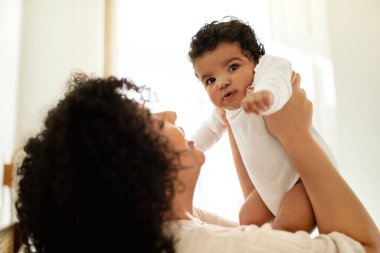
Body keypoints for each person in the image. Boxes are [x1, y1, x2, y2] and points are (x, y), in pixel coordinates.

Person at [15, 72, 379, 253]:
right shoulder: (197, 245)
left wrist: (236, 124)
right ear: (139, 168)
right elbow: (365, 248)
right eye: (155, 121)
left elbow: (269, 229)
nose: (171, 113)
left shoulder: (177, 228)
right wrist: (297, 136)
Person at [188, 17, 336, 232]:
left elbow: (278, 81)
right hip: (269, 187)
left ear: (256, 61)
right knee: (247, 216)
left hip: (301, 178)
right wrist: (186, 147)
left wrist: (266, 95)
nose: (222, 82)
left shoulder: (265, 74)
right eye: (210, 80)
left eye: (233, 67)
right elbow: (207, 133)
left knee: (289, 223)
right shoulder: (225, 111)